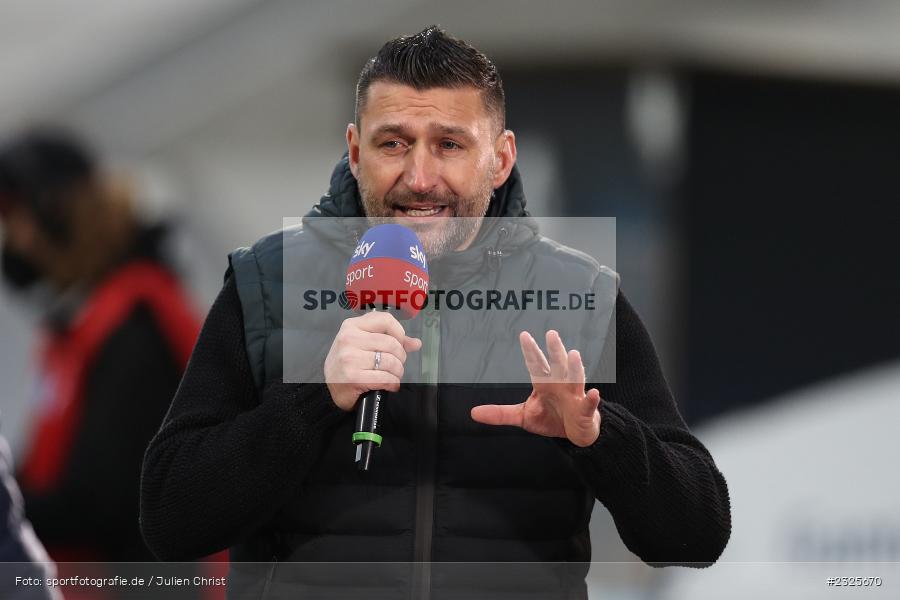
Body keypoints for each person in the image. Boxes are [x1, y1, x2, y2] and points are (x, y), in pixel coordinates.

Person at [140, 26, 731, 598]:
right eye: (392, 143)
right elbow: (171, 520)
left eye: (449, 145)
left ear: (499, 159)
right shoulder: (269, 282)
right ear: (354, 151)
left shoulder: (578, 296)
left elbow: (696, 536)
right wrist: (312, 399)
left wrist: (600, 438)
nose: (419, 178)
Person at [0, 128, 201, 563]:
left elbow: (106, 503)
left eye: (18, 220)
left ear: (63, 213)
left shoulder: (135, 330)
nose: (16, 242)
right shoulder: (86, 324)